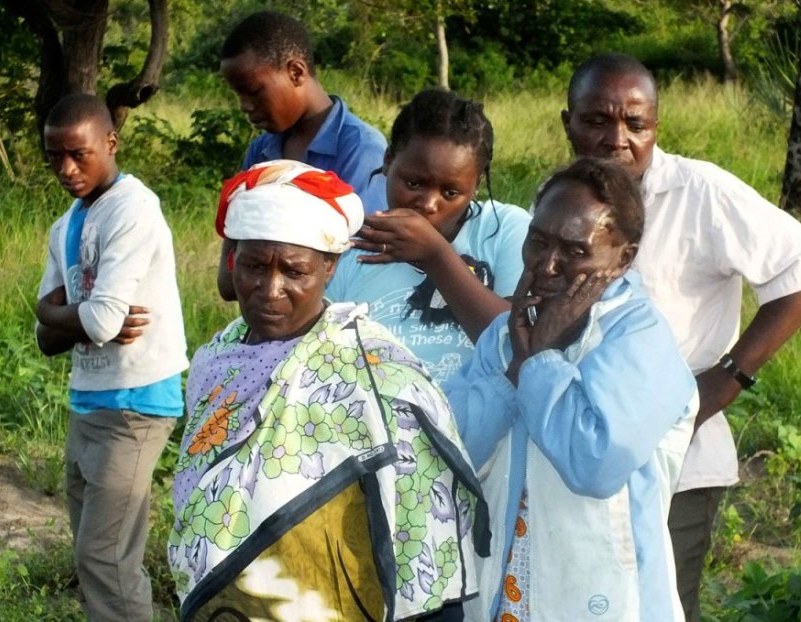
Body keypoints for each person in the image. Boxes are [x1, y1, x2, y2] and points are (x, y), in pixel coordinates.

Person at [560, 52, 801, 621]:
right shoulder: (562, 197)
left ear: (655, 126)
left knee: (660, 605)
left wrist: (728, 379)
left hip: (677, 460)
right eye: (597, 120)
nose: (617, 138)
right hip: (577, 450)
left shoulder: (699, 191)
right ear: (567, 122)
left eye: (635, 123)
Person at [169, 160, 488, 622]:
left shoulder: (380, 377)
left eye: (295, 272)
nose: (270, 289)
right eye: (255, 266)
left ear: (330, 266)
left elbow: (425, 546)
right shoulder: (216, 357)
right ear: (232, 260)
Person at [447, 158, 698, 621]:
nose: (548, 266)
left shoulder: (641, 339)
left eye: (576, 252)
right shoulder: (507, 335)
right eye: (538, 242)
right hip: (504, 594)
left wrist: (541, 364)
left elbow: (594, 465)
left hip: (608, 601)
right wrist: (518, 366)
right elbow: (452, 449)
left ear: (623, 258)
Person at [34, 93, 188, 622]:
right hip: (87, 400)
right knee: (94, 553)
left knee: (105, 558)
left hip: (137, 403)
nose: (66, 169)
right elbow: (47, 337)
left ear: (111, 142)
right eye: (54, 156)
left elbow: (97, 322)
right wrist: (57, 314)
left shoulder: (134, 208)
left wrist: (64, 313)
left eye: (79, 154)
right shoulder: (66, 225)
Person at [326, 88, 531, 385]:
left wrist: (436, 256)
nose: (428, 204)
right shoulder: (353, 246)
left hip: (476, 425)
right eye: (414, 183)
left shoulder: (504, 228)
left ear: (475, 185)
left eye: (451, 192)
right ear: (388, 161)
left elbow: (515, 342)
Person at [216, 10, 388, 301]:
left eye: (254, 92)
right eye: (238, 95)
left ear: (296, 72)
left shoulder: (362, 149)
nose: (245, 106)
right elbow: (231, 277)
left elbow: (352, 264)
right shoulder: (261, 152)